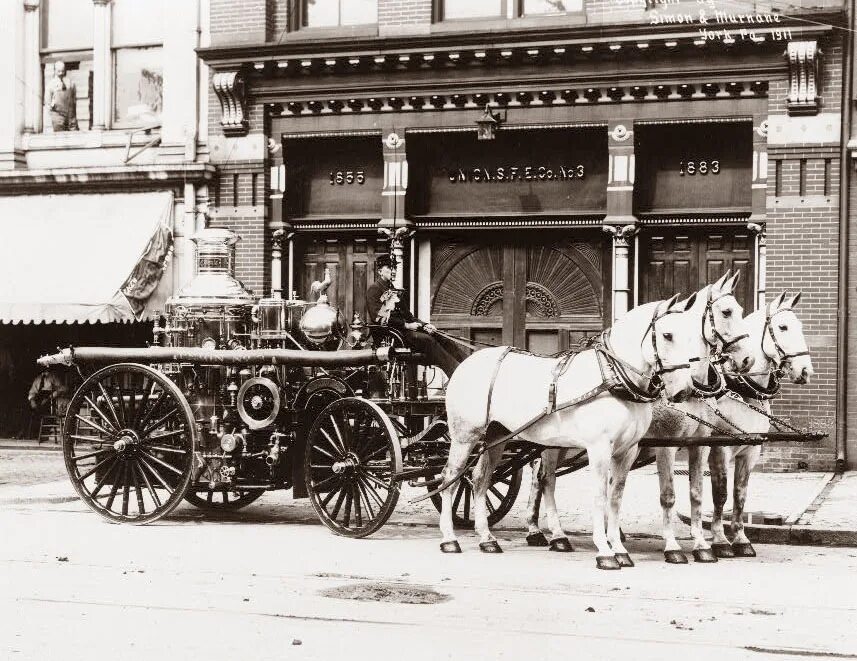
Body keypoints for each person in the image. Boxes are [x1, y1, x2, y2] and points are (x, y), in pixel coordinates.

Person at [366, 254, 470, 378]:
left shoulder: (394, 290)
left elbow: (409, 316)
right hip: (391, 335)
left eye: (395, 268)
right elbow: (379, 318)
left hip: (405, 332)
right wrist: (406, 325)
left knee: (439, 336)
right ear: (380, 271)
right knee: (427, 340)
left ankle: (469, 365)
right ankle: (456, 374)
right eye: (389, 267)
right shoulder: (374, 290)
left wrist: (425, 325)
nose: (393, 271)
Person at [45, 61, 79, 132]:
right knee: (60, 137)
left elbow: (74, 99)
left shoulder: (70, 83)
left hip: (70, 116)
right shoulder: (50, 85)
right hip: (58, 116)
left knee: (74, 136)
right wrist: (54, 116)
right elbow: (48, 103)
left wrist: (73, 115)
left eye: (63, 71)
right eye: (59, 71)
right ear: (54, 71)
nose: (61, 73)